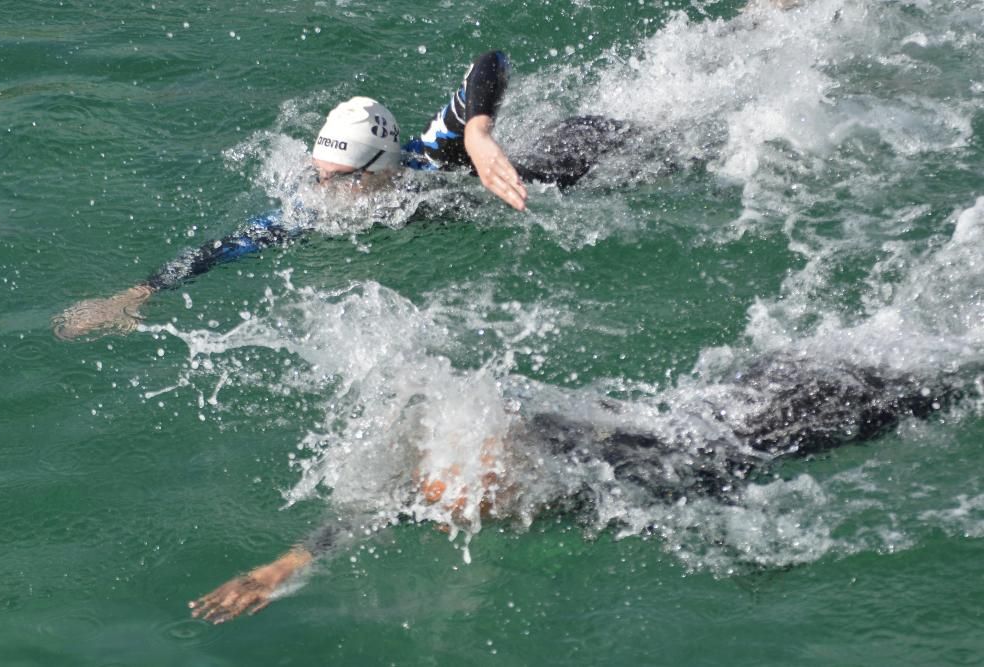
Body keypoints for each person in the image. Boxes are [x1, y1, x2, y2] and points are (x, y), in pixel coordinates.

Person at [188, 354, 962, 623]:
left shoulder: (594, 468)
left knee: (941, 389)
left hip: (773, 423)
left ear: (513, 462)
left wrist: (754, 559)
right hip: (736, 393)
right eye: (446, 483)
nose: (451, 502)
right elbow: (370, 511)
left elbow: (704, 495)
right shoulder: (440, 475)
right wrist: (285, 564)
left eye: (472, 485)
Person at [52, 51, 632, 340]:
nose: (322, 193)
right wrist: (138, 292)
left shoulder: (431, 155)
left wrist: (477, 132)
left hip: (598, 159)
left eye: (341, 179)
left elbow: (491, 62)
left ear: (383, 169)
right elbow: (227, 246)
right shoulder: (317, 206)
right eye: (317, 175)